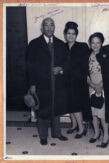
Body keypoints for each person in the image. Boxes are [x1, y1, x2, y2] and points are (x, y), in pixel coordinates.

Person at [26, 17, 68, 145]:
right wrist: (32, 84)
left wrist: (61, 68)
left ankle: (57, 133)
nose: (49, 28)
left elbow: (67, 62)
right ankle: (43, 136)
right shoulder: (34, 44)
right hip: (41, 83)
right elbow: (29, 66)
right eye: (46, 25)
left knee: (56, 108)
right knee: (42, 109)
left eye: (52, 25)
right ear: (42, 28)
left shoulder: (61, 44)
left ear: (54, 27)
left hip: (57, 83)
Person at [87, 32, 109, 148]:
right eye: (93, 42)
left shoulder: (106, 55)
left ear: (102, 43)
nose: (95, 45)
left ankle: (106, 136)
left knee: (102, 114)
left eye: (98, 42)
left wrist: (99, 86)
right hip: (91, 86)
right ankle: (96, 133)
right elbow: (84, 73)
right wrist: (92, 85)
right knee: (93, 113)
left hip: (103, 87)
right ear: (90, 43)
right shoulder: (87, 55)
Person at [64, 21, 91, 139]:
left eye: (73, 34)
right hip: (65, 81)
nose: (71, 36)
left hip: (78, 81)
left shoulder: (83, 46)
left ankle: (81, 128)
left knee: (76, 106)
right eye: (68, 33)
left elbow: (86, 65)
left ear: (76, 35)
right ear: (65, 34)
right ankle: (74, 125)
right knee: (69, 104)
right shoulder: (62, 46)